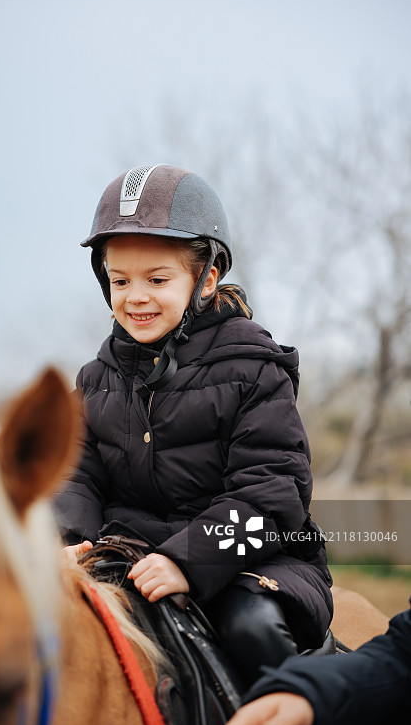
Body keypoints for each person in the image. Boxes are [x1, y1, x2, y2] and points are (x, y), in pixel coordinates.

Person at [54, 164, 333, 685]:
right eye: (120, 280)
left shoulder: (253, 370)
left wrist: (190, 559)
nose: (135, 296)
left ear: (206, 278)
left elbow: (273, 494)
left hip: (247, 560)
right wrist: (68, 539)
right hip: (125, 554)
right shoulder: (95, 381)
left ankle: (302, 713)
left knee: (250, 627)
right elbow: (77, 477)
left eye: (157, 280)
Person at [213, 600, 411, 725]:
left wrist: (190, 566)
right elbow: (400, 656)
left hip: (273, 570)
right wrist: (306, 691)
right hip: (196, 575)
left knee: (253, 630)